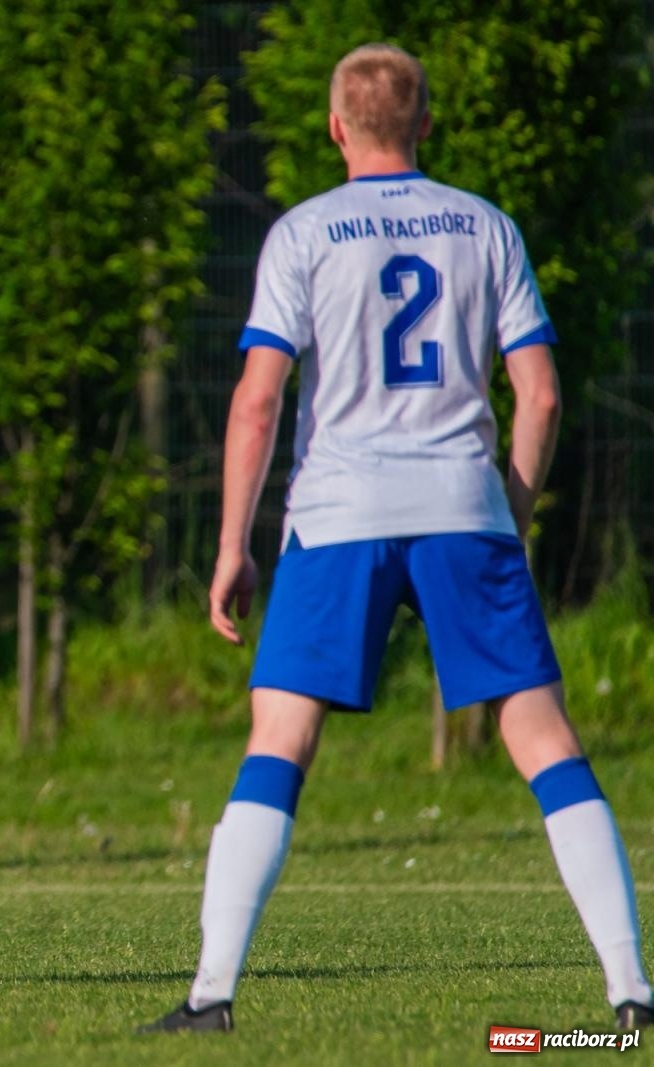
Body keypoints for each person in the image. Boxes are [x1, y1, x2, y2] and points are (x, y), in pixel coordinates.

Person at [140, 44, 652, 1034]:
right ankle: (630, 991)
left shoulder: (303, 234)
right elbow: (538, 393)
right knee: (542, 738)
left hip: (337, 514)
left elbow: (255, 401)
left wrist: (232, 544)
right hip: (463, 505)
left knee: (279, 738)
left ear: (335, 126)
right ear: (425, 123)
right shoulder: (484, 226)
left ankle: (211, 995)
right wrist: (510, 507)